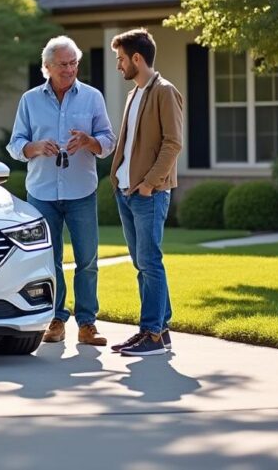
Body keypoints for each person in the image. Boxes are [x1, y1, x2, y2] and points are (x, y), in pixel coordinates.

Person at [7, 35, 116, 345]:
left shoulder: (93, 97)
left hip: (81, 191)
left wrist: (90, 142)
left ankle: (87, 323)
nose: (69, 69)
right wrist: (34, 147)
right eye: (63, 65)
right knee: (48, 261)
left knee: (87, 260)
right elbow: (15, 145)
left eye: (73, 63)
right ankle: (56, 319)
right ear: (47, 67)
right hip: (42, 193)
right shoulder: (29, 100)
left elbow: (108, 141)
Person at [108, 28, 183, 356]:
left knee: (149, 261)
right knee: (143, 263)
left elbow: (173, 143)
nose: (118, 66)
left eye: (121, 59)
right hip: (127, 192)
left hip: (149, 193)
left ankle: (152, 333)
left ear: (137, 58)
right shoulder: (134, 94)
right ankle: (157, 329)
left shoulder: (164, 92)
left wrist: (150, 183)